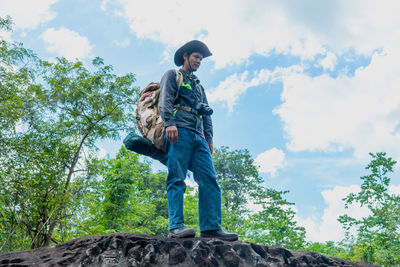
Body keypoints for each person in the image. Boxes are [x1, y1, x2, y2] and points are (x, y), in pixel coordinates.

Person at [159, 40, 238, 241]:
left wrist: (209, 139)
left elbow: (207, 114)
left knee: (209, 179)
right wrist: (169, 123)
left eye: (201, 59)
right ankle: (176, 226)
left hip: (199, 137)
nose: (199, 61)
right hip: (179, 130)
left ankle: (211, 227)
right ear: (185, 56)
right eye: (196, 57)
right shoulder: (172, 75)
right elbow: (165, 99)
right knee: (177, 177)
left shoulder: (199, 86)